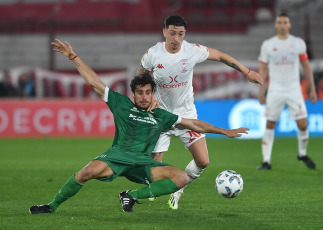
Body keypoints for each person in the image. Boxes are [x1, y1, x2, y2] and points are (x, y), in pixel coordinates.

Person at [29, 39, 249, 214]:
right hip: (116, 157)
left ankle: (131, 195)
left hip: (142, 163)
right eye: (140, 93)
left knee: (181, 177)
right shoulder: (121, 104)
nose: (144, 97)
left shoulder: (160, 114)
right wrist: (73, 57)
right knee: (85, 172)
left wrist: (225, 131)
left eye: (148, 92)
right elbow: (95, 82)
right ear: (132, 94)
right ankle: (51, 206)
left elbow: (193, 123)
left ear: (153, 94)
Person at [136, 15, 263, 209]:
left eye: (180, 34)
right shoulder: (153, 53)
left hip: (186, 115)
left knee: (203, 161)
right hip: (161, 115)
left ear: (184, 33)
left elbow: (221, 56)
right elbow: (140, 75)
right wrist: (148, 96)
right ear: (164, 32)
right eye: (172, 33)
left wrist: (246, 72)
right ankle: (150, 189)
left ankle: (178, 189)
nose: (176, 38)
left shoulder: (192, 51)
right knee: (153, 166)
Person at [257, 13, 317, 170]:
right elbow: (262, 68)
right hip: (275, 89)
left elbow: (306, 66)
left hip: (294, 89)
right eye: (280, 22)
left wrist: (312, 88)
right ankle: (266, 161)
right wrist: (261, 90)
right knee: (270, 124)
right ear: (276, 25)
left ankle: (302, 154)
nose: (282, 25)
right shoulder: (268, 45)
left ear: (289, 25)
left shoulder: (298, 43)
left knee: (303, 124)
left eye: (285, 22)